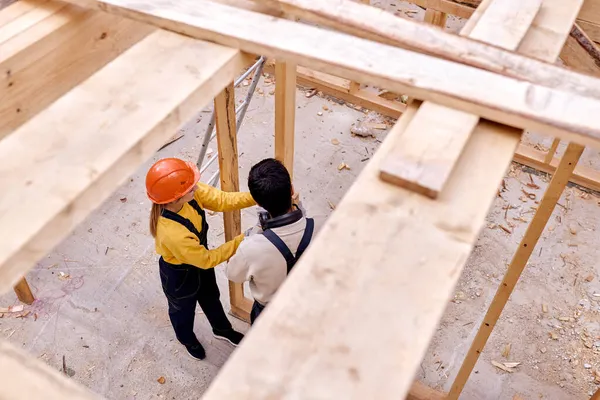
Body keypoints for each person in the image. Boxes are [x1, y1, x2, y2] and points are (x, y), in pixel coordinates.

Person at [146, 157, 256, 360]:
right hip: (179, 275)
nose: (196, 188)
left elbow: (223, 200)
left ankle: (222, 329)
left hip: (198, 261)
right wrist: (241, 240)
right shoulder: (172, 233)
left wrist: (257, 196)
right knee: (182, 310)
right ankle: (186, 338)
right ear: (175, 199)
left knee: (211, 297)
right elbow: (207, 259)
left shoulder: (190, 193)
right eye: (190, 188)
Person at [226, 158, 320, 325]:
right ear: (291, 189)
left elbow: (233, 274)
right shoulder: (323, 228)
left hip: (269, 317)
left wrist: (256, 231)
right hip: (311, 307)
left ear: (257, 203)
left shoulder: (251, 249)